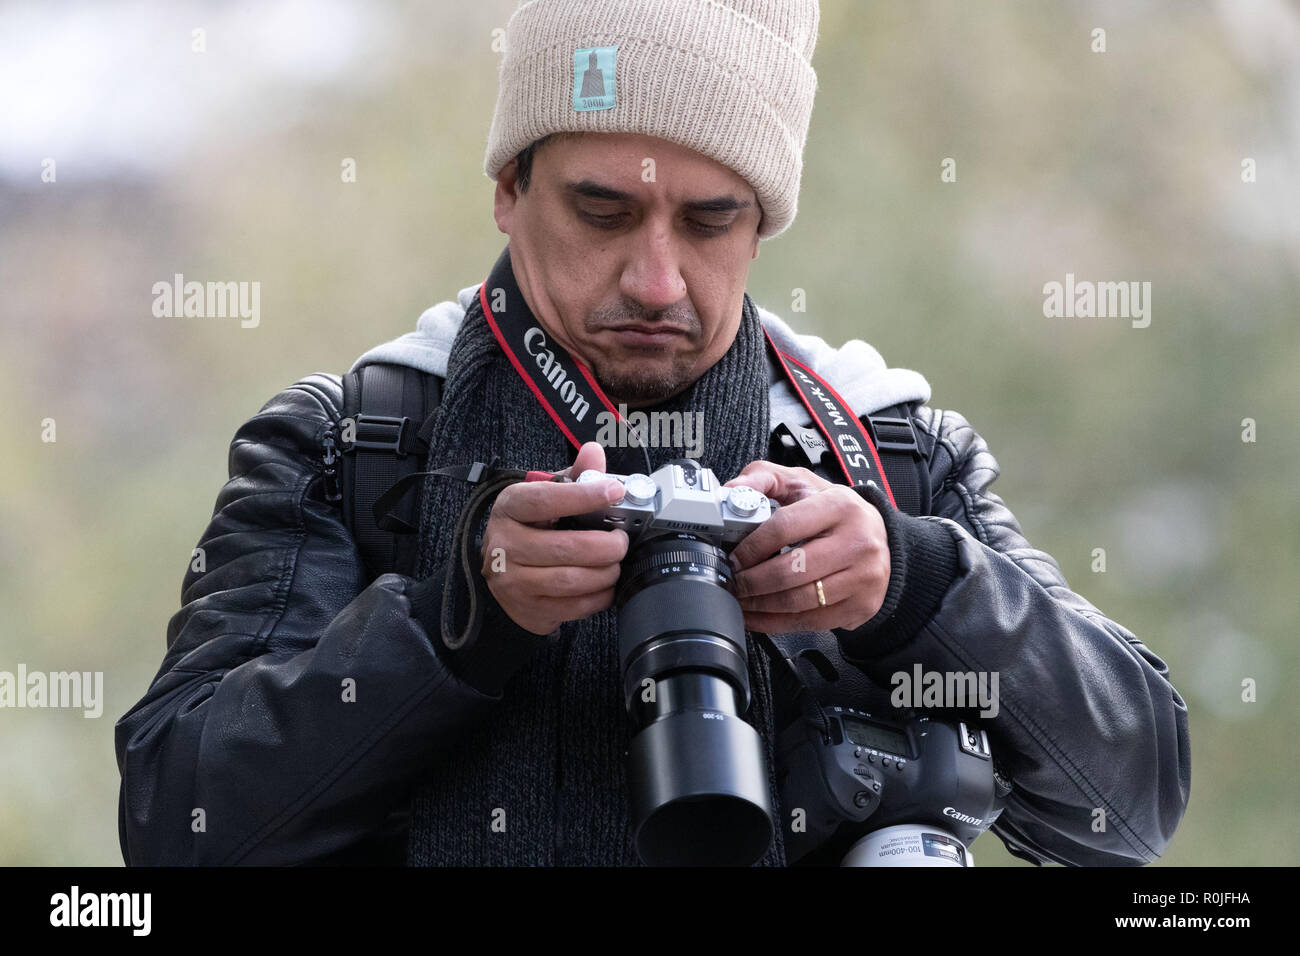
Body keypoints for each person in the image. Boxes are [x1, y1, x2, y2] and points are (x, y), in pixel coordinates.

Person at [115, 0, 1190, 866]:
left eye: (710, 218)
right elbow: (177, 820)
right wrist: (459, 622)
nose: (657, 278)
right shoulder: (362, 444)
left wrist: (910, 588)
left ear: (764, 220)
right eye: (603, 212)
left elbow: (1135, 802)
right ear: (507, 186)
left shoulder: (883, 450)